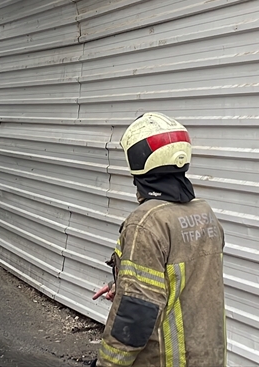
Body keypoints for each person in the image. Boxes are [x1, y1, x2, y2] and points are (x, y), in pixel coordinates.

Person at [92, 112, 226, 367]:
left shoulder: (145, 223)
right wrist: (123, 284)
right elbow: (185, 282)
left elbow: (136, 313)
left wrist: (106, 365)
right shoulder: (205, 214)